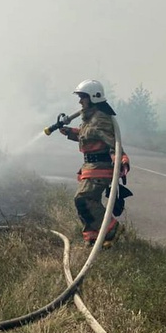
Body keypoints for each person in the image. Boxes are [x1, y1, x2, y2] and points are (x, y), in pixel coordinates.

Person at [58, 79, 131, 247]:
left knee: (83, 199)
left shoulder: (101, 119)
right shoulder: (90, 118)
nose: (80, 101)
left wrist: (121, 160)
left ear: (92, 97)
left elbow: (113, 143)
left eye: (82, 97)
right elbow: (88, 136)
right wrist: (69, 132)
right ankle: (94, 237)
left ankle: (112, 228)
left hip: (100, 168)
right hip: (90, 168)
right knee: (87, 201)